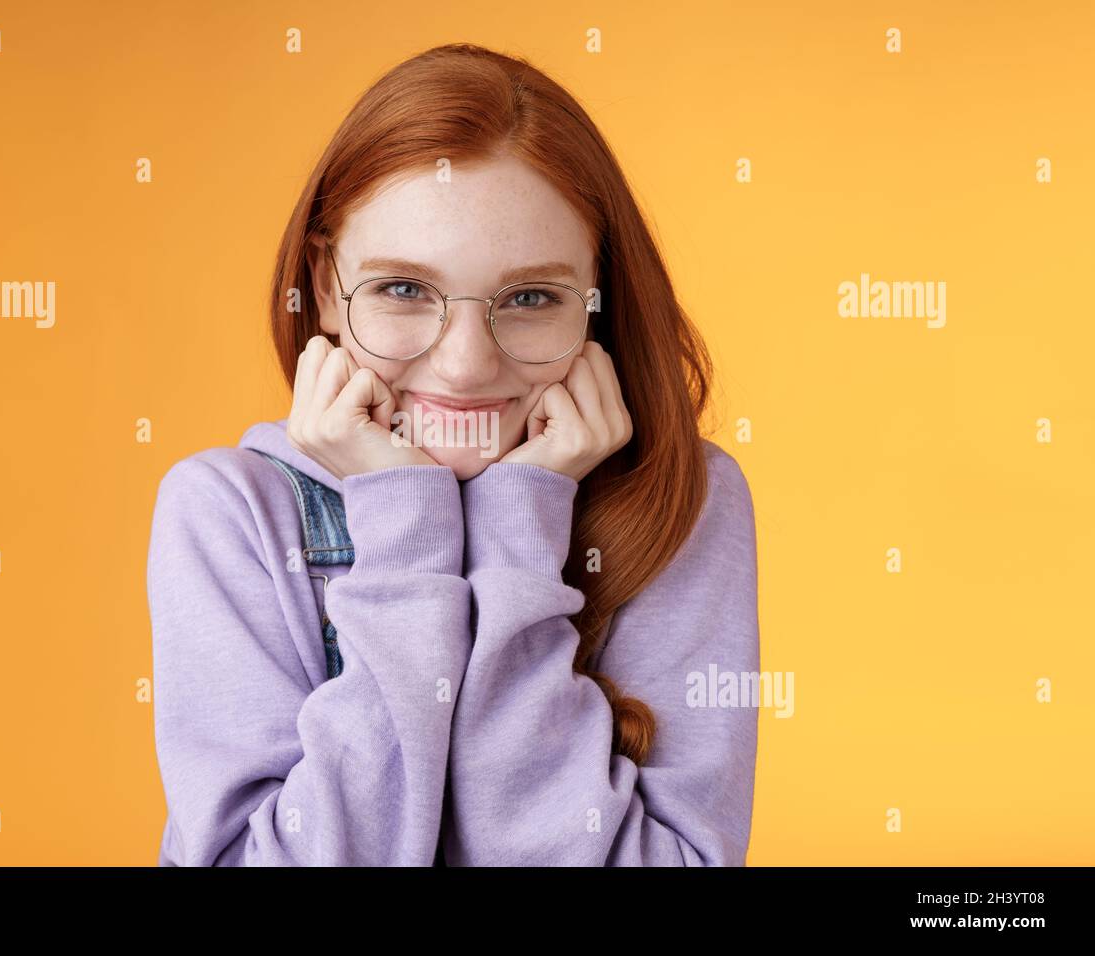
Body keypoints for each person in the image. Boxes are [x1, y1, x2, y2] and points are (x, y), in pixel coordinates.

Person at [146, 42, 760, 866]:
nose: (466, 364)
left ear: (597, 305)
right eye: (404, 289)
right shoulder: (227, 514)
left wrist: (519, 531)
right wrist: (405, 535)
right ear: (327, 287)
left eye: (532, 297)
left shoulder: (687, 503)